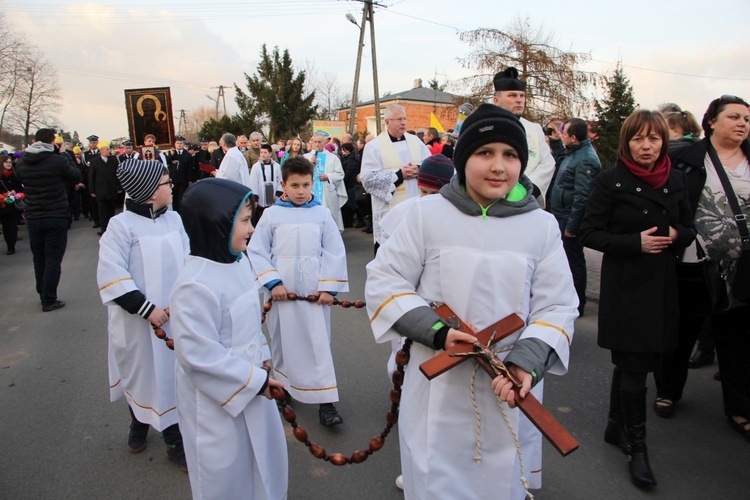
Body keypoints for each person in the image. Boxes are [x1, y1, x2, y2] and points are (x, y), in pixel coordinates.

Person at [365, 104, 578, 499]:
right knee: (435, 476)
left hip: (507, 382)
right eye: (485, 153)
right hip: (439, 380)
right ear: (463, 161)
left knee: (500, 480)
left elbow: (557, 305)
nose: (498, 166)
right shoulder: (426, 216)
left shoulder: (540, 226)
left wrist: (527, 362)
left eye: (510, 155)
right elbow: (385, 281)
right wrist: (437, 332)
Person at [579, 110, 695, 487]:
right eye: (638, 139)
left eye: (654, 139)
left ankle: (616, 426)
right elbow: (589, 233)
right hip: (626, 285)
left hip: (662, 284)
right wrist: (634, 243)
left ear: (664, 142)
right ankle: (637, 447)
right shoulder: (610, 181)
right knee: (633, 365)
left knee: (637, 361)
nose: (646, 146)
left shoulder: (676, 179)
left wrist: (677, 235)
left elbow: (689, 227)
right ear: (626, 142)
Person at [170, 178, 288, 498]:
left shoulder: (237, 262)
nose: (252, 229)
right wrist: (253, 381)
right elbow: (198, 355)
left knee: (259, 458)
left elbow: (250, 321)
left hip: (250, 378)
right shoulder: (194, 284)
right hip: (216, 399)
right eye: (246, 221)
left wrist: (262, 355)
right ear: (216, 223)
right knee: (225, 471)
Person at [663, 95, 750, 439]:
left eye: (746, 118)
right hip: (693, 263)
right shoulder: (684, 158)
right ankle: (669, 391)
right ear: (712, 121)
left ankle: (740, 409)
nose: (743, 123)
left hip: (742, 268)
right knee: (682, 332)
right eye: (735, 117)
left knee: (738, 340)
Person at [96, 158, 189, 471]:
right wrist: (147, 310)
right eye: (165, 182)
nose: (171, 186)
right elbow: (112, 274)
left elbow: (190, 259)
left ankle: (174, 440)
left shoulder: (174, 219)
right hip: (137, 321)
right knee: (143, 375)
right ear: (150, 192)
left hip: (175, 317)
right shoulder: (120, 227)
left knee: (171, 376)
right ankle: (138, 421)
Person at [248, 156, 349, 426]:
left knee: (317, 343)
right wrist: (273, 283)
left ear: (312, 183)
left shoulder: (321, 214)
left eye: (306, 185)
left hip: (314, 296)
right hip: (281, 296)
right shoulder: (271, 214)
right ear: (283, 184)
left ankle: (325, 402)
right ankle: (284, 390)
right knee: (283, 343)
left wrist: (329, 288)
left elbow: (334, 251)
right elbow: (257, 250)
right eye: (295, 185)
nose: (301, 191)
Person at [14, 128, 81, 312]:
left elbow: (19, 176)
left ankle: (42, 290)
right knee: (53, 258)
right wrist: (64, 156)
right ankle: (49, 299)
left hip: (34, 215)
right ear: (52, 142)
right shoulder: (57, 160)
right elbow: (75, 175)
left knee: (39, 256)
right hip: (55, 213)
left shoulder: (23, 162)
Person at [548, 118, 602, 317]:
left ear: (573, 137)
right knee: (563, 260)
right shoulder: (574, 153)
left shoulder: (586, 158)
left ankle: (578, 303)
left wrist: (573, 225)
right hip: (561, 213)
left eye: (564, 133)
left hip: (569, 218)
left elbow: (583, 196)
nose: (561, 134)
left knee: (573, 261)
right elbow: (562, 165)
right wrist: (555, 142)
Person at [360, 104, 431, 252]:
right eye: (399, 119)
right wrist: (399, 174)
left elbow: (430, 164)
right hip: (389, 209)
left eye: (405, 118)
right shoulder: (374, 146)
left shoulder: (416, 141)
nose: (403, 122)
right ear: (387, 122)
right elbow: (367, 179)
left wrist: (418, 169)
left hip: (416, 204)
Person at [492, 67, 556, 206]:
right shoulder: (486, 127)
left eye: (522, 96)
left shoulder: (535, 129)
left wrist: (526, 189)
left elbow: (547, 163)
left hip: (527, 199)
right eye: (512, 95)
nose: (519, 100)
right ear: (496, 100)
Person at [304, 133, 348, 232]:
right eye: (315, 142)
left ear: (324, 143)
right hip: (310, 193)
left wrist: (328, 176)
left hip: (326, 192)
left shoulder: (332, 157)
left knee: (327, 220)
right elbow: (299, 174)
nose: (317, 144)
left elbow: (340, 174)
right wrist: (309, 165)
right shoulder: (305, 158)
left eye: (319, 142)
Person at [89, 141, 121, 235]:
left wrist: (119, 186)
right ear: (101, 150)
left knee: (111, 209)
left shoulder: (113, 160)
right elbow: (91, 177)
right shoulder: (94, 161)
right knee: (102, 210)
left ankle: (112, 228)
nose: (109, 151)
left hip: (111, 189)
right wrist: (92, 190)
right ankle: (104, 228)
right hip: (100, 190)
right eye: (107, 149)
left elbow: (117, 174)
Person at [248, 143, 283, 225]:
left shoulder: (277, 166)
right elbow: (253, 182)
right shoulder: (256, 167)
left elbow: (281, 181)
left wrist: (278, 194)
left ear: (270, 154)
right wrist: (255, 198)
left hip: (273, 195)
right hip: (261, 197)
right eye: (261, 153)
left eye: (265, 152)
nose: (263, 155)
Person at [0, 154, 23, 254]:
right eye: (6, 162)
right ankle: (9, 243)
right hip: (3, 205)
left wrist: (15, 193)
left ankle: (11, 246)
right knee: (6, 226)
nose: (8, 164)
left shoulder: (15, 176)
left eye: (10, 162)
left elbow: (21, 190)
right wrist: (4, 195)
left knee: (13, 225)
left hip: (13, 204)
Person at [166, 135, 191, 212]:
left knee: (181, 197)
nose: (179, 145)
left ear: (183, 144)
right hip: (174, 179)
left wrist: (190, 180)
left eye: (181, 143)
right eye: (177, 143)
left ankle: (181, 212)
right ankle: (175, 211)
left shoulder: (187, 154)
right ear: (175, 144)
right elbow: (166, 162)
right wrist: (171, 154)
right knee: (174, 197)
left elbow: (189, 168)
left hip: (183, 180)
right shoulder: (171, 153)